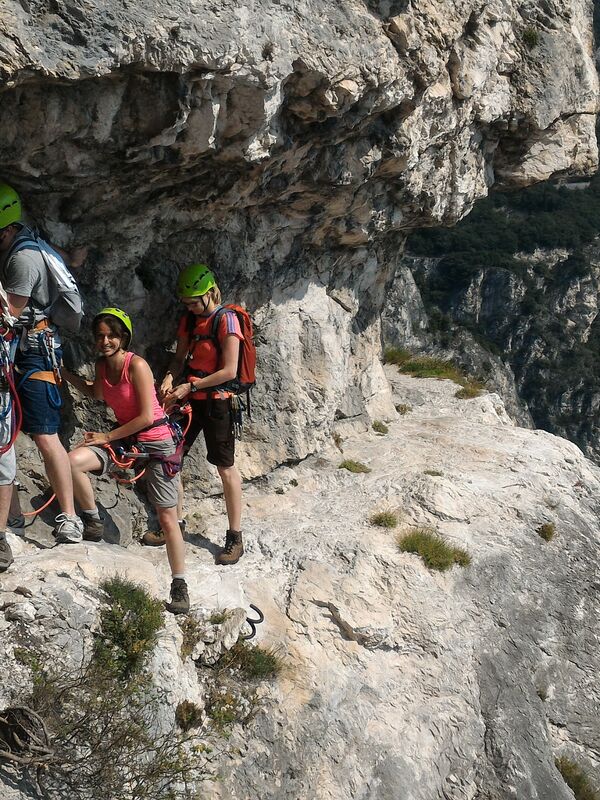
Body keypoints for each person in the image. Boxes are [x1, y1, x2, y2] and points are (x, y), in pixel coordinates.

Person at [62, 307, 189, 614]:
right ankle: (92, 520)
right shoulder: (103, 366)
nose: (105, 341)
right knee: (70, 462)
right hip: (127, 439)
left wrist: (107, 437)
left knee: (168, 518)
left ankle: (180, 586)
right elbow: (96, 393)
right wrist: (64, 373)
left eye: (112, 336)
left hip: (155, 441)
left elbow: (147, 415)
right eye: (100, 336)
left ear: (123, 338)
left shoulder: (138, 366)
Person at [0, 181, 87, 544]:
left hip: (35, 350)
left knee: (44, 435)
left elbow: (8, 315)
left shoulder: (21, 258)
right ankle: (12, 515)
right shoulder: (24, 238)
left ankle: (70, 516)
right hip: (23, 348)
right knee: (8, 435)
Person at [148, 264, 244, 566]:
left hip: (216, 401)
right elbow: (178, 358)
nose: (188, 307)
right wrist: (168, 378)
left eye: (193, 301)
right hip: (191, 400)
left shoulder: (227, 321)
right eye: (186, 302)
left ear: (209, 293)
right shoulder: (190, 321)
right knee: (171, 456)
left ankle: (235, 537)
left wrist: (189, 386)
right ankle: (173, 523)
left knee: (226, 467)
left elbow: (229, 370)